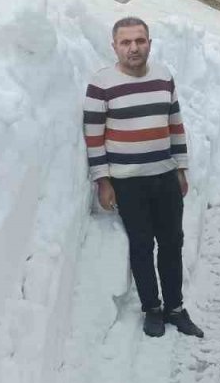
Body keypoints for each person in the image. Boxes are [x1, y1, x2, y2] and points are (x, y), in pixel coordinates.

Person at [83, 18, 204, 339]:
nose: (134, 48)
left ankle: (175, 308)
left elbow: (175, 125)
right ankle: (152, 308)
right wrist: (103, 180)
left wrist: (180, 167)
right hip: (127, 181)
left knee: (171, 242)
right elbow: (94, 136)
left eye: (140, 40)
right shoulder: (101, 84)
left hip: (164, 177)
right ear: (115, 47)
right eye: (126, 42)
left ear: (149, 42)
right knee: (141, 245)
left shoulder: (163, 77)